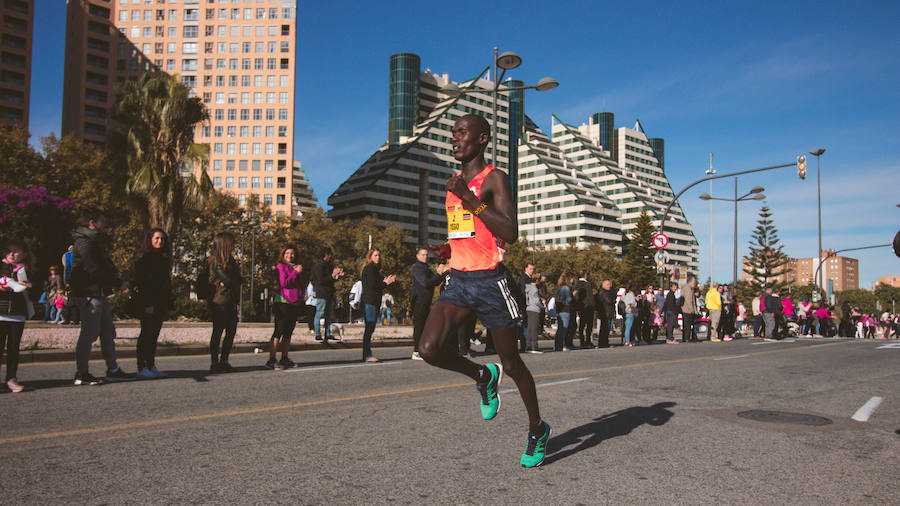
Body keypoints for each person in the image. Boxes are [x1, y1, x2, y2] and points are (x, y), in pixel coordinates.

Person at [416, 114, 549, 467]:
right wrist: (448, 250)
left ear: (482, 139)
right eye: (453, 133)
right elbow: (468, 232)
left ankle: (537, 428)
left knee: (513, 363)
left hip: (491, 283)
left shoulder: (494, 179)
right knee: (427, 349)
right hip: (459, 280)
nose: (455, 139)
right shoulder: (454, 182)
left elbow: (510, 232)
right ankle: (481, 374)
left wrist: (468, 198)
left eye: (462, 133)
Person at [70, 209, 133, 385]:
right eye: (101, 221)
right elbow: (94, 270)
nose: (104, 225)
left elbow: (105, 265)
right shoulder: (84, 242)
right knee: (89, 334)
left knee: (107, 332)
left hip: (98, 293)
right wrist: (117, 283)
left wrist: (118, 280)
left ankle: (113, 369)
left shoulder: (95, 242)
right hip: (88, 294)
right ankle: (81, 373)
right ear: (92, 222)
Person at [134, 228, 173, 379]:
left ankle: (151, 364)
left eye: (162, 239)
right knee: (146, 333)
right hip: (147, 301)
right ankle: (141, 366)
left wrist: (169, 304)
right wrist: (147, 304)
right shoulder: (143, 257)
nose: (159, 242)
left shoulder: (164, 258)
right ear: (150, 239)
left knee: (154, 334)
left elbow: (165, 283)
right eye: (157, 238)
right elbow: (143, 282)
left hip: (160, 301)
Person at [207, 232, 242, 373]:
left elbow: (237, 280)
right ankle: (214, 362)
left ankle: (224, 360)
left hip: (231, 300)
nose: (234, 246)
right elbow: (228, 280)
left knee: (231, 331)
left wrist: (230, 282)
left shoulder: (231, 261)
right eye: (232, 243)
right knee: (218, 331)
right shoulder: (216, 261)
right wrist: (228, 282)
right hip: (219, 300)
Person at [1, 240, 33, 393]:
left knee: (14, 348)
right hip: (1, 314)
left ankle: (11, 378)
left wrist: (28, 286)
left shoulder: (26, 270)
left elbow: (37, 288)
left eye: (16, 251)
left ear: (24, 254)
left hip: (17, 315)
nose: (12, 254)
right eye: (10, 251)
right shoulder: (1, 266)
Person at [268, 245, 306, 370]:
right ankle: (272, 359)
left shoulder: (296, 267)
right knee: (279, 331)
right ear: (283, 255)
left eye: (292, 253)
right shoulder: (281, 267)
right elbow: (284, 283)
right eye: (287, 253)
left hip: (294, 303)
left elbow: (301, 284)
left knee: (288, 332)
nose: (290, 256)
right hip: (283, 302)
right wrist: (295, 272)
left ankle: (284, 357)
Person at [410, 246, 447, 360]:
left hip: (426, 302)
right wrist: (439, 274)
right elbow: (426, 283)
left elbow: (434, 281)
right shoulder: (417, 268)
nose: (425, 257)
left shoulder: (425, 268)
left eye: (426, 255)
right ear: (417, 256)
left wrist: (443, 274)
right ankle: (416, 351)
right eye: (422, 255)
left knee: (427, 327)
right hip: (419, 302)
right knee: (419, 327)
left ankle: (424, 350)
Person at [360, 248, 396, 363]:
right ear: (370, 257)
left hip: (375, 302)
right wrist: (385, 283)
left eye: (379, 255)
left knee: (371, 329)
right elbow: (373, 285)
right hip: (369, 302)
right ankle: (367, 355)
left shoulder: (375, 270)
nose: (378, 257)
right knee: (369, 328)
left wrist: (386, 281)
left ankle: (367, 354)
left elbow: (378, 284)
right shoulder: (369, 269)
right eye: (375, 255)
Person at [310, 248, 344, 343]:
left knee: (329, 315)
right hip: (322, 293)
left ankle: (327, 334)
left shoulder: (328, 265)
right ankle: (318, 334)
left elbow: (330, 279)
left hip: (329, 293)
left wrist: (337, 276)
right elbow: (321, 280)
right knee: (320, 313)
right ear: (326, 255)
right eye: (330, 254)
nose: (331, 257)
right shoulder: (319, 266)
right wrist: (333, 275)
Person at [573, 270, 596, 348]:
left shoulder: (577, 284)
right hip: (586, 307)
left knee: (584, 325)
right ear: (585, 275)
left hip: (583, 307)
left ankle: (584, 341)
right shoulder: (585, 284)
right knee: (587, 325)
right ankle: (586, 341)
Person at [517, 263, 536, 352]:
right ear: (526, 269)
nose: (532, 271)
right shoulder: (524, 279)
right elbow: (523, 292)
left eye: (533, 269)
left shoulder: (527, 278)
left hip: (526, 305)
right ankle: (525, 345)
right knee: (526, 326)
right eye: (530, 269)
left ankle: (526, 345)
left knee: (526, 325)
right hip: (525, 305)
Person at [554, 272, 574, 351]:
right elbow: (568, 300)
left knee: (560, 328)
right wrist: (573, 295)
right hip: (565, 309)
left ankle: (557, 345)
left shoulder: (559, 287)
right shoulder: (566, 288)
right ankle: (560, 345)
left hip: (560, 309)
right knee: (563, 329)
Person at [524, 274, 543, 353]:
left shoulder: (527, 287)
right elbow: (536, 301)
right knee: (534, 328)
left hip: (529, 308)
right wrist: (542, 305)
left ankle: (528, 346)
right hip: (535, 309)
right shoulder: (534, 289)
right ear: (537, 280)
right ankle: (534, 346)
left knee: (529, 328)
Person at [595, 279, 615, 348]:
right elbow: (609, 301)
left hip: (608, 312)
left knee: (607, 328)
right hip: (605, 312)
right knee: (604, 328)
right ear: (603, 285)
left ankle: (605, 342)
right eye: (607, 284)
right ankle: (602, 343)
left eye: (610, 284)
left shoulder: (610, 292)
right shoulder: (602, 292)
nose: (609, 286)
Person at [680, 276, 699, 343]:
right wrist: (692, 310)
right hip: (686, 309)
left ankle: (686, 337)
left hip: (689, 310)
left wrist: (695, 310)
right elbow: (688, 300)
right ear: (690, 282)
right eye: (694, 283)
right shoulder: (687, 288)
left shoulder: (691, 289)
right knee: (687, 325)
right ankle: (686, 338)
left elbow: (693, 301)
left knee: (688, 324)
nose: (694, 284)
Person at [622, 281, 637, 347]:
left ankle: (624, 340)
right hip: (630, 311)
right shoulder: (631, 294)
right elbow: (633, 304)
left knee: (625, 327)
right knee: (629, 327)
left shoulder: (624, 293)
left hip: (625, 312)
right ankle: (628, 341)